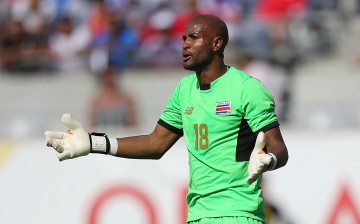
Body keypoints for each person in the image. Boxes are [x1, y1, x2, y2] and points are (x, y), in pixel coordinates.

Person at [45, 14, 289, 224]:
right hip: (197, 215)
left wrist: (269, 159)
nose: (184, 44)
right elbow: (156, 143)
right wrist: (94, 143)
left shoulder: (247, 88)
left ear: (216, 43)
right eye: (183, 38)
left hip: (238, 214)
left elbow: (279, 146)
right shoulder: (185, 90)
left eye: (193, 38)